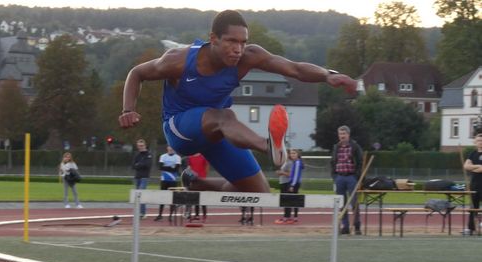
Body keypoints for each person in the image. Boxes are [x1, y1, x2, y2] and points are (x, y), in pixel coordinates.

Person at [119, 9, 357, 194]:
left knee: (259, 191)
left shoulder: (248, 57)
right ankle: (269, 146)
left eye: (243, 42)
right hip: (180, 129)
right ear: (213, 39)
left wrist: (328, 75)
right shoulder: (178, 60)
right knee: (224, 116)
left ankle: (197, 183)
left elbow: (294, 68)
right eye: (232, 41)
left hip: (216, 132)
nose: (238, 50)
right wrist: (128, 109)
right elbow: (137, 73)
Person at [330, 125, 363, 235]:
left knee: (354, 202)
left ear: (348, 134)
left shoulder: (355, 147)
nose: (342, 136)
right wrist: (334, 176)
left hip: (351, 177)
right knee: (341, 204)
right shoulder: (336, 147)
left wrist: (357, 176)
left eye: (344, 134)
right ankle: (345, 226)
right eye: (340, 134)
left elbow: (360, 162)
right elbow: (333, 162)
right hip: (339, 177)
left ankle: (357, 226)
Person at [275, 149, 303, 224]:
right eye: (291, 153)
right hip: (289, 183)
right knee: (289, 200)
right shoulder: (291, 162)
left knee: (290, 200)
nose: (292, 155)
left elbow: (294, 175)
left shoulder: (295, 162)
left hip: (290, 183)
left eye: (294, 153)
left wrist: (292, 185)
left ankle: (288, 217)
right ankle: (290, 217)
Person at [154, 145, 181, 222]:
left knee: (172, 198)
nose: (171, 148)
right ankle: (160, 215)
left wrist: (166, 167)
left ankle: (170, 215)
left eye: (172, 147)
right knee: (162, 197)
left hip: (173, 180)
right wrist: (171, 167)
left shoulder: (177, 157)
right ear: (167, 148)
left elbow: (176, 169)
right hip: (164, 180)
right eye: (170, 147)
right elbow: (160, 167)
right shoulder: (163, 156)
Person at [463, 133, 482, 235]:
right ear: (475, 142)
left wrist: (473, 167)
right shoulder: (472, 154)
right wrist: (478, 166)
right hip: (474, 185)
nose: (480, 142)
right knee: (473, 207)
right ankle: (471, 228)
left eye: (481, 140)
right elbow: (466, 166)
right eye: (478, 140)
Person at [132, 138, 152, 218]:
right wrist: (140, 164)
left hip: (144, 177)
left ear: (145, 145)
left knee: (141, 194)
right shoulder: (137, 155)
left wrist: (138, 165)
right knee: (137, 196)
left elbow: (147, 165)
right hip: (137, 177)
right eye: (139, 146)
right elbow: (133, 166)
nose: (140, 147)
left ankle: (142, 213)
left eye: (141, 145)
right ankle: (138, 212)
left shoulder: (148, 154)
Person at [187, 153, 209, 221]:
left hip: (202, 180)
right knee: (195, 198)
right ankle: (197, 215)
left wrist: (204, 177)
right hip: (193, 181)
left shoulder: (203, 157)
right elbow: (189, 168)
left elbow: (207, 167)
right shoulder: (190, 157)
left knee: (203, 199)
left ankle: (204, 216)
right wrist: (190, 177)